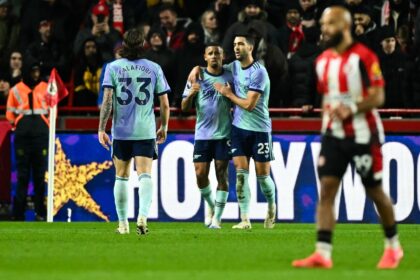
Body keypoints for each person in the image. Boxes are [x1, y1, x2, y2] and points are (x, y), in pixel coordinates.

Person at [292, 6, 403, 269]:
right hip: (333, 135)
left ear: (344, 26)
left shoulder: (364, 57)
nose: (323, 29)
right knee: (327, 190)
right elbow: (329, 97)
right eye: (322, 24)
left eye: (329, 24)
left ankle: (393, 247)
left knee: (374, 190)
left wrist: (351, 108)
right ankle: (322, 252)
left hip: (364, 134)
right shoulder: (322, 61)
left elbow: (378, 96)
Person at [191, 34, 277, 230]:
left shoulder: (259, 72)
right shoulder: (234, 67)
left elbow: (249, 104)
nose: (236, 48)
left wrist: (229, 94)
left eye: (241, 44)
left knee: (263, 178)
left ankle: (272, 206)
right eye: (235, 44)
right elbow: (213, 69)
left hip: (260, 130)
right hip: (238, 130)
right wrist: (196, 68)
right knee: (240, 176)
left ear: (250, 48)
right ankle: (245, 219)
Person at [98, 28, 170, 235]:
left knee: (121, 177)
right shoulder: (154, 68)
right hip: (145, 131)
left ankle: (122, 224)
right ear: (143, 45)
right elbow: (164, 104)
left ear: (124, 45)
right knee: (145, 175)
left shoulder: (113, 67)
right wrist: (163, 127)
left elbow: (108, 100)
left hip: (121, 131)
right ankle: (143, 216)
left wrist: (102, 128)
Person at [181, 43, 233, 229]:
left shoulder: (230, 75)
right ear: (204, 57)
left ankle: (217, 220)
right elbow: (184, 108)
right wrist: (191, 95)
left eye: (217, 54)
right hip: (202, 134)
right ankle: (211, 206)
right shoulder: (197, 76)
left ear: (223, 56)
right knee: (200, 174)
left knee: (222, 174)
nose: (213, 56)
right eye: (210, 53)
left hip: (224, 133)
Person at [6, 62, 49, 221]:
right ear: (26, 72)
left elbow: (54, 109)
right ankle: (18, 214)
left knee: (39, 176)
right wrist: (18, 124)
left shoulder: (46, 87)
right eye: (33, 71)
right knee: (22, 176)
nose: (36, 74)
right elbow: (10, 114)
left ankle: (40, 213)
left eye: (37, 71)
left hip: (40, 136)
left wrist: (45, 123)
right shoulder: (15, 90)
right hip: (23, 137)